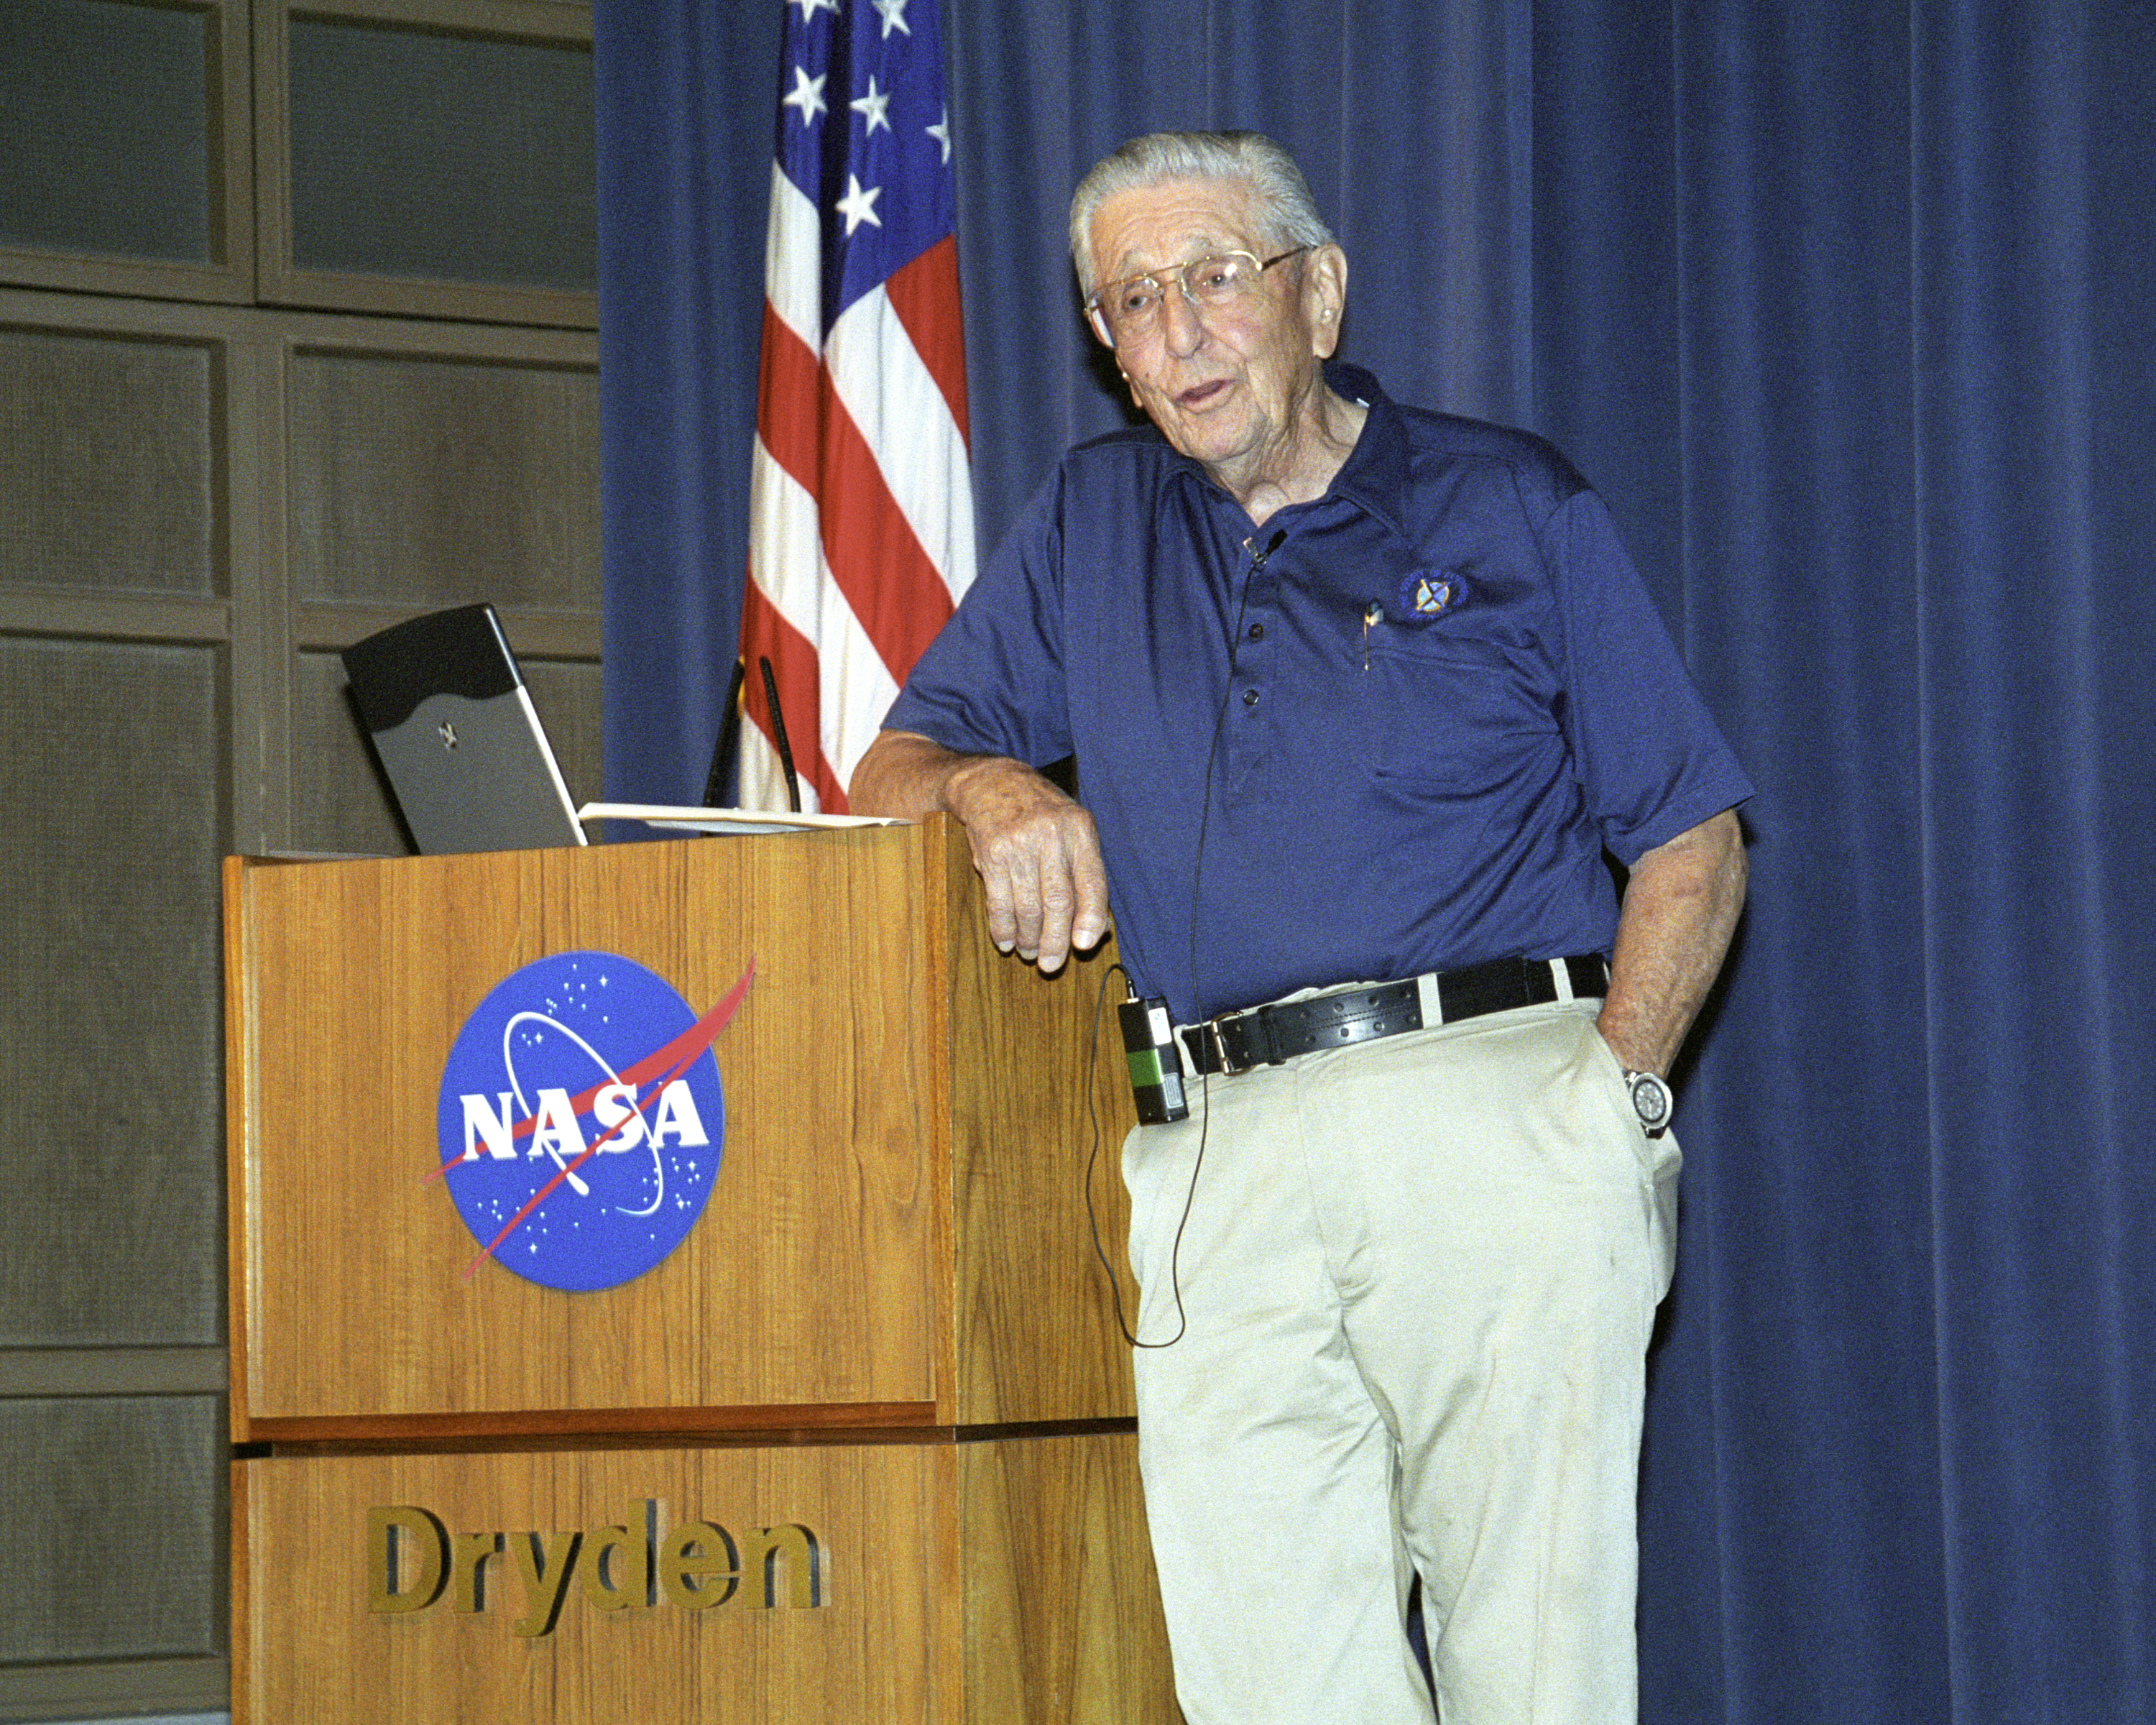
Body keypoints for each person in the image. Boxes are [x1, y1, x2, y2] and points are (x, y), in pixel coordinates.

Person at [850, 129, 1751, 1725]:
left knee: (1534, 1665)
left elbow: (1692, 835)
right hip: (1216, 1153)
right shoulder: (1091, 522)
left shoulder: (1505, 499)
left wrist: (1608, 1105)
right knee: (1268, 1677)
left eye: (1214, 277)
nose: (1178, 330)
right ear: (1109, 350)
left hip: (1496, 1120)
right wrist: (989, 786)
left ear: (1317, 296)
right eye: (1133, 301)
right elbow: (890, 771)